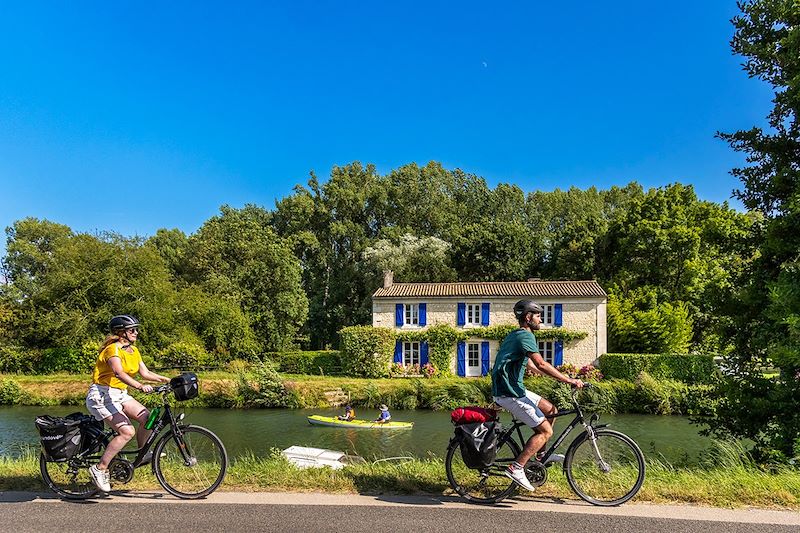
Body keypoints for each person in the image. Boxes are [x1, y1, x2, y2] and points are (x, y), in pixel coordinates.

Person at [491, 300, 584, 492]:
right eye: (538, 315)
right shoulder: (526, 336)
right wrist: (568, 380)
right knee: (545, 432)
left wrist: (554, 375)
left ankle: (541, 456)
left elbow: (532, 366)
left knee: (551, 410)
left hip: (514, 389)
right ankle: (516, 468)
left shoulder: (516, 335)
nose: (541, 319)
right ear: (528, 317)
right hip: (510, 393)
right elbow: (541, 364)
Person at [85, 315, 170, 492]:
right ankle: (100, 468)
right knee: (127, 431)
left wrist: (167, 380)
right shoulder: (112, 350)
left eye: (136, 329)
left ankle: (142, 452)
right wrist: (139, 386)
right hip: (101, 395)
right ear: (120, 332)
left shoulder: (133, 350)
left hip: (120, 394)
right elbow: (118, 373)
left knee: (149, 418)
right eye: (132, 330)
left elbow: (145, 373)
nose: (136, 332)